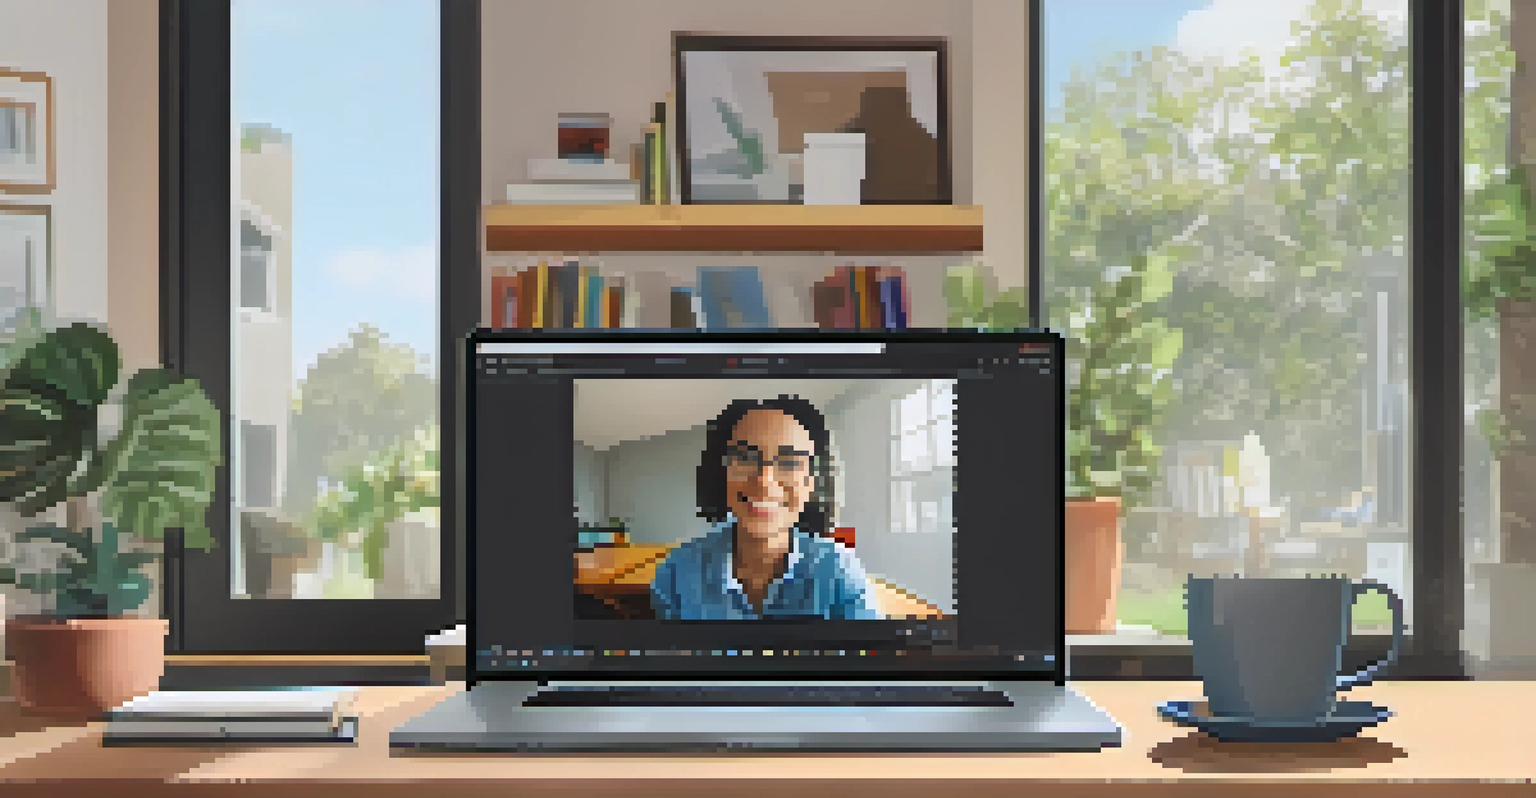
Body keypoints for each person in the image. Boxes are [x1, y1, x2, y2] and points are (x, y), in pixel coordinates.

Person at [649, 395, 883, 620]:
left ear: (811, 481)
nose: (764, 480)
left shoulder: (839, 573)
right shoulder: (676, 573)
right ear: (722, 472)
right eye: (745, 458)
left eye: (790, 462)